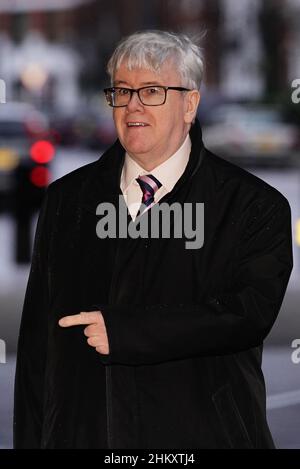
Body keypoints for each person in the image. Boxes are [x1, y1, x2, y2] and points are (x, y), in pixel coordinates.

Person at [14, 30, 293, 449]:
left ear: (190, 104)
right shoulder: (66, 200)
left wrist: (127, 332)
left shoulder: (254, 206)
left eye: (152, 91)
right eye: (122, 91)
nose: (132, 106)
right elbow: (37, 351)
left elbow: (245, 316)